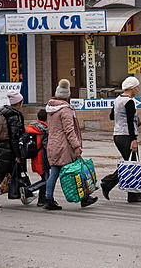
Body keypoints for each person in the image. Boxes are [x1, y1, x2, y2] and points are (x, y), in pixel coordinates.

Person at [43, 79, 98, 210]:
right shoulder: (65, 110)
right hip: (64, 147)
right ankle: (84, 198)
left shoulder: (51, 108)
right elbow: (69, 130)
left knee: (54, 173)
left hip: (53, 144)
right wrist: (76, 146)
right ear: (67, 95)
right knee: (78, 171)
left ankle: (48, 198)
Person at [100, 76, 141, 203]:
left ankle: (133, 195)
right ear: (132, 88)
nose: (137, 89)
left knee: (130, 163)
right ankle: (108, 183)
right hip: (127, 136)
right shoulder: (129, 102)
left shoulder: (117, 100)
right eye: (136, 87)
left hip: (117, 135)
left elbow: (111, 116)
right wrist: (134, 140)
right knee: (131, 164)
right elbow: (130, 122)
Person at [20, 109, 50, 207]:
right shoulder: (44, 130)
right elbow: (46, 146)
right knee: (47, 179)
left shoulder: (32, 128)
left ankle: (42, 199)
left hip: (35, 157)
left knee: (45, 178)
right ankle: (29, 189)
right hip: (42, 157)